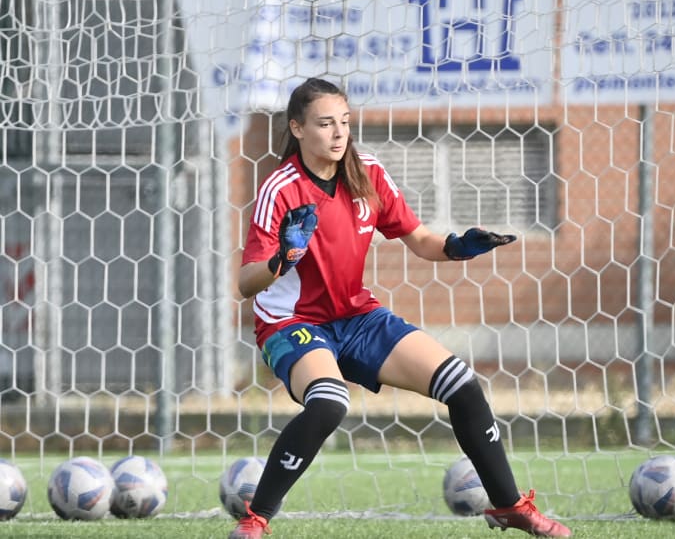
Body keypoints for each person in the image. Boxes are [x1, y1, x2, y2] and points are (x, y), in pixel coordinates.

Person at [229, 77, 571, 539]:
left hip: (358, 316)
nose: (337, 133)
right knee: (329, 403)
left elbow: (422, 240)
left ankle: (509, 506)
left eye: (344, 123)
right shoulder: (281, 187)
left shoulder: (367, 173)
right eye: (324, 123)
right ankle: (257, 519)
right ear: (297, 127)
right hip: (293, 323)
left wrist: (457, 246)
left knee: (462, 385)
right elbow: (246, 282)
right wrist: (282, 257)